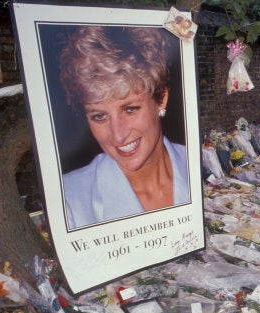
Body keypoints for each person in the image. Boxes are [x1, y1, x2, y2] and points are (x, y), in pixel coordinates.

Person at [59, 26, 190, 229]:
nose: (118, 136)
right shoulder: (68, 199)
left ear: (161, 99)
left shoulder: (202, 168)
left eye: (130, 109)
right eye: (99, 116)